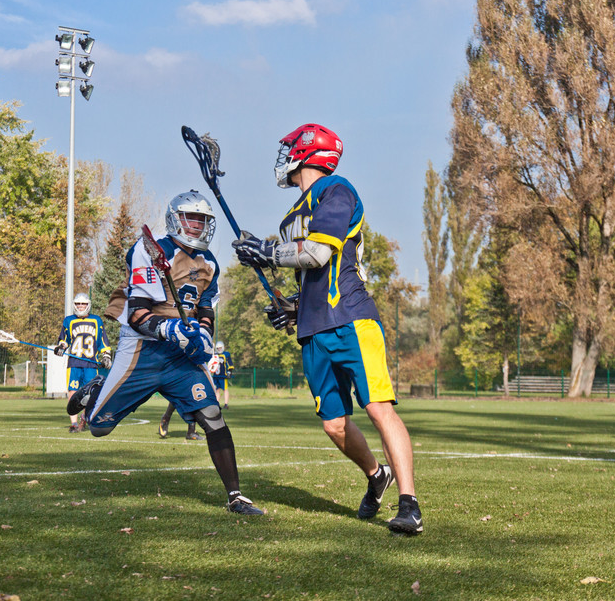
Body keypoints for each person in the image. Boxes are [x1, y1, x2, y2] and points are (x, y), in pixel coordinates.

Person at [232, 123, 422, 535]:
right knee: (334, 424)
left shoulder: (337, 190)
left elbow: (318, 254)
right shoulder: (291, 215)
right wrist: (293, 308)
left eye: (290, 150)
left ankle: (409, 504)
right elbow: (308, 278)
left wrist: (264, 253)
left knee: (377, 408)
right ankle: (376, 475)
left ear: (307, 153)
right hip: (315, 329)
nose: (284, 160)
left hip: (352, 320)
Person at [68, 190, 263, 516]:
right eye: (192, 217)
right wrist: (171, 329)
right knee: (99, 426)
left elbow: (206, 311)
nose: (198, 225)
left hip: (179, 357)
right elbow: (137, 314)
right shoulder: (151, 251)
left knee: (212, 416)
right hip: (142, 348)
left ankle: (235, 497)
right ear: (176, 218)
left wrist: (201, 333)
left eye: (203, 220)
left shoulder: (209, 263)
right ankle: (96, 390)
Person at [55, 292, 111, 433]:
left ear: (88, 305)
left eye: (83, 304)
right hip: (74, 362)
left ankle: (84, 419)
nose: (81, 306)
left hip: (91, 363)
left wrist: (106, 355)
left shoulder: (96, 320)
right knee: (72, 393)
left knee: (90, 394)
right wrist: (60, 348)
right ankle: (73, 424)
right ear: (74, 305)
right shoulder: (68, 320)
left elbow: (102, 341)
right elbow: (64, 340)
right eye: (78, 304)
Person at [211, 341, 233, 409]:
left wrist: (229, 371)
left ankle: (226, 404)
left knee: (225, 389)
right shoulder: (215, 355)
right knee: (217, 390)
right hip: (216, 376)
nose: (219, 349)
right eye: (218, 348)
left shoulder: (226, 354)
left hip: (223, 376)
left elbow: (230, 364)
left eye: (220, 348)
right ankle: (217, 403)